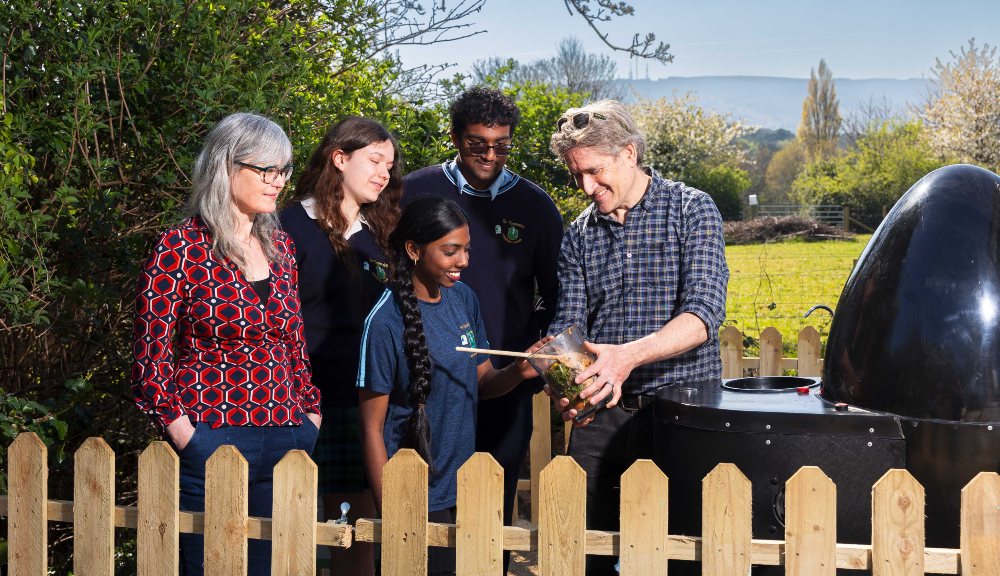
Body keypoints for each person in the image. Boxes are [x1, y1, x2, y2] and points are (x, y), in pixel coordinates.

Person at [131, 112, 321, 576]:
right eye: (266, 169)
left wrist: (310, 414)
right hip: (212, 435)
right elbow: (150, 354)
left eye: (284, 170)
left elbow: (293, 343)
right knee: (210, 567)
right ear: (226, 165)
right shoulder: (180, 247)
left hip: (288, 434)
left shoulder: (282, 247)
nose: (278, 181)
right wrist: (184, 433)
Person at [546, 100, 729, 575]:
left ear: (629, 153)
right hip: (604, 416)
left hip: (683, 412)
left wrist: (627, 358)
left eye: (595, 171)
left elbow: (703, 314)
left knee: (685, 551)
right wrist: (563, 376)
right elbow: (568, 326)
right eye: (577, 176)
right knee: (585, 548)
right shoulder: (578, 236)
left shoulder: (692, 209)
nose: (587, 187)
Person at [402, 87, 563, 540]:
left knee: (493, 502)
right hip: (427, 377)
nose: (490, 155)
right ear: (455, 137)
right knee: (423, 503)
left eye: (502, 145)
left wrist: (525, 358)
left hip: (504, 382)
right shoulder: (414, 191)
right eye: (478, 144)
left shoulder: (536, 206)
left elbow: (556, 294)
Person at [357, 197, 544, 576]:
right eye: (450, 251)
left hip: (466, 487)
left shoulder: (463, 299)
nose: (464, 262)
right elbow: (372, 429)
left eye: (466, 250)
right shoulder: (384, 323)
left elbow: (481, 382)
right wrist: (394, 515)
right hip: (415, 496)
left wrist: (518, 371)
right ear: (413, 250)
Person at [279, 117, 401, 576]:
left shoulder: (383, 236)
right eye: (374, 161)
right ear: (339, 158)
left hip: (360, 405)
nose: (383, 173)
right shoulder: (287, 225)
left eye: (389, 166)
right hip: (291, 400)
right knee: (285, 532)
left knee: (352, 534)